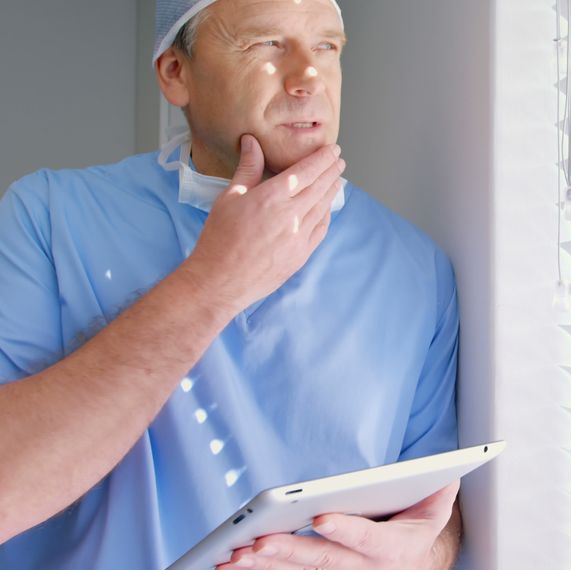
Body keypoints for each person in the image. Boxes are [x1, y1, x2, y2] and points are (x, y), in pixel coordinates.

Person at [0, 0, 463, 568]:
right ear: (175, 74)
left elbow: (434, 511)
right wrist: (213, 281)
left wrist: (425, 556)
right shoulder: (51, 218)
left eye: (326, 46)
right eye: (265, 44)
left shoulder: (418, 269)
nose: (308, 77)